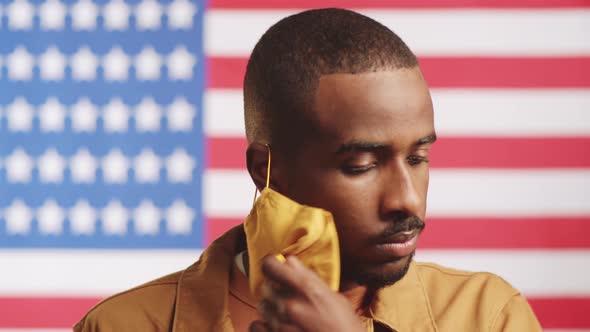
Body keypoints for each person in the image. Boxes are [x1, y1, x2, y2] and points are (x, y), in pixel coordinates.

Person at [74, 8, 542, 332]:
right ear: (265, 169)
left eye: (418, 158)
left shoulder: (489, 315)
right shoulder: (123, 325)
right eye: (361, 165)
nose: (407, 200)